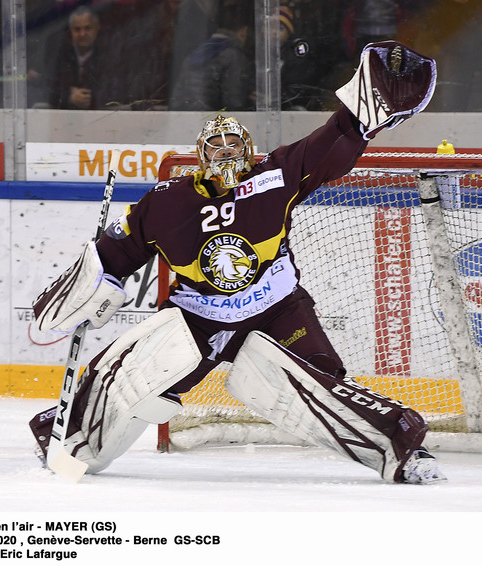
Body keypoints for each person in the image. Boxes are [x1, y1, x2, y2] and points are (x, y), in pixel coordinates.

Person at [29, 40, 444, 484]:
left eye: (234, 144)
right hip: (200, 320)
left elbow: (331, 142)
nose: (226, 152)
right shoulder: (166, 203)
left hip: (277, 309)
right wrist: (82, 294)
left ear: (249, 149)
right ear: (201, 156)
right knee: (141, 375)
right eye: (216, 146)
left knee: (319, 384)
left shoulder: (276, 174)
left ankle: (401, 446)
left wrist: (362, 120)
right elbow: (113, 255)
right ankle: (64, 429)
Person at [168, 0, 254, 111]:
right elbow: (234, 102)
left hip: (186, 120)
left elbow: (177, 97)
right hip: (211, 123)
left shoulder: (194, 53)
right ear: (244, 32)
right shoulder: (234, 56)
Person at [48, 6, 114, 110]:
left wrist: (86, 99)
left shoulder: (109, 53)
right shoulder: (60, 54)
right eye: (77, 29)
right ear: (70, 32)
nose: (82, 34)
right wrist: (70, 96)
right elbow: (49, 89)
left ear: (97, 28)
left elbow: (113, 91)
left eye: (87, 28)